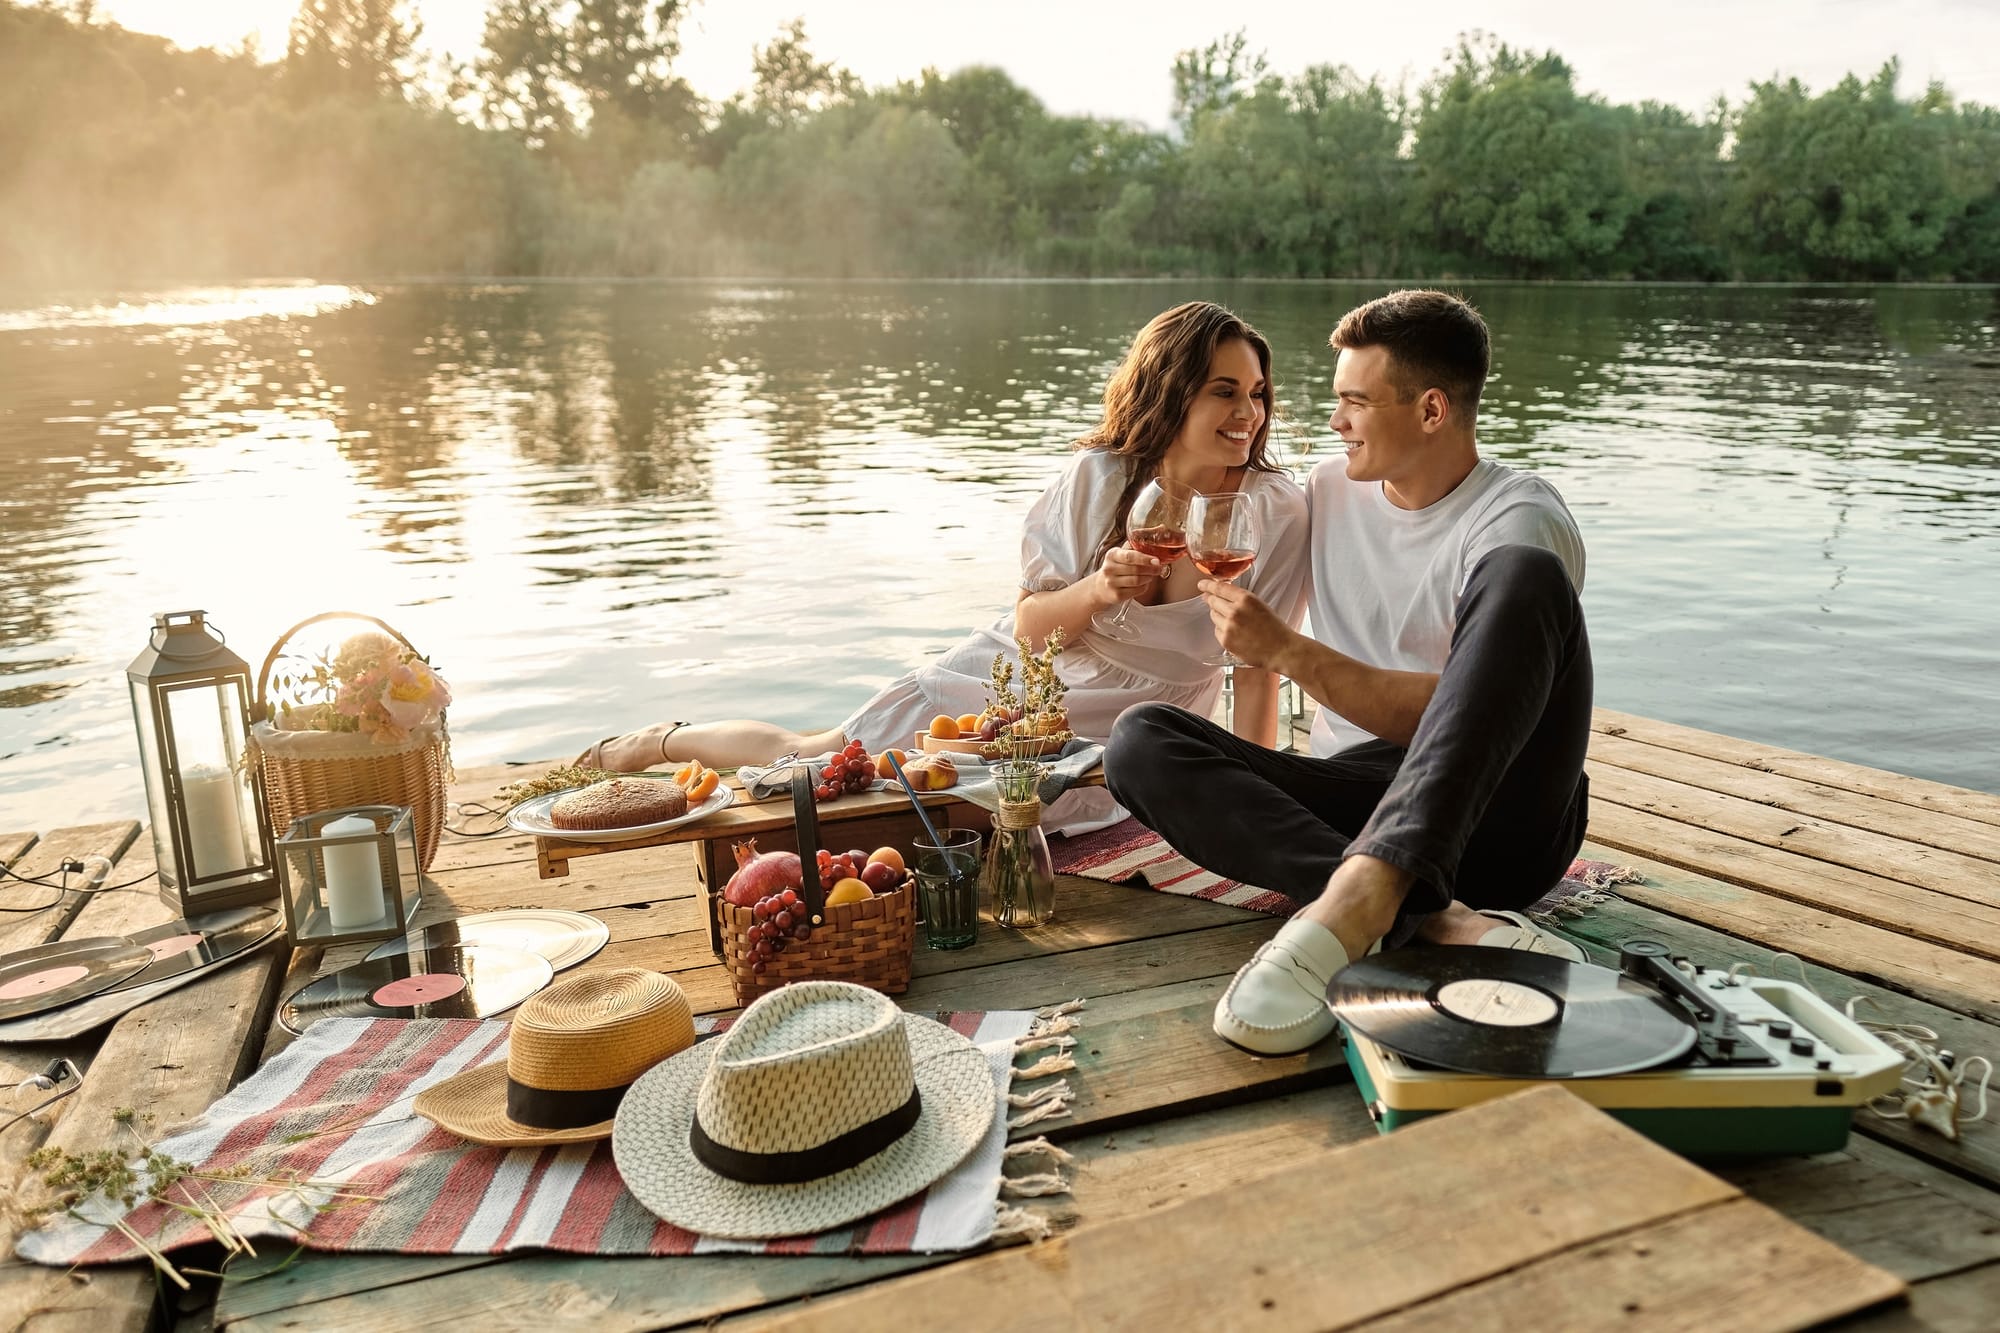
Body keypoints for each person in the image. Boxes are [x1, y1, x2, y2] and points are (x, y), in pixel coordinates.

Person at [579, 301, 1311, 836]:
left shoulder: (1271, 512)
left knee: (977, 820)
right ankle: (657, 742)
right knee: (824, 763)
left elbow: (1257, 669)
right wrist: (1097, 587)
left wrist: (1254, 795)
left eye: (1257, 394)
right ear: (1172, 389)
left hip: (1151, 718)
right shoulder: (1101, 477)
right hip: (1030, 676)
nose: (1248, 411)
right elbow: (1031, 626)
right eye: (1224, 390)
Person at [1104, 289, 1593, 1054]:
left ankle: (1357, 901)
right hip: (1360, 805)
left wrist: (1289, 650)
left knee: (1528, 578)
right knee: (1139, 742)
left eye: (1355, 402)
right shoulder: (1328, 490)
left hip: (1498, 818)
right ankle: (1423, 914)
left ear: (1432, 411)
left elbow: (1466, 718)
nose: (1335, 422)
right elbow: (1225, 521)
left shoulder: (1517, 520)